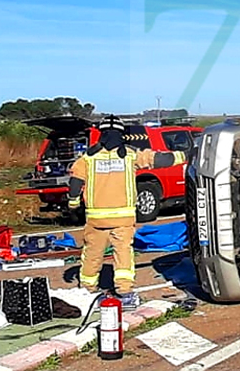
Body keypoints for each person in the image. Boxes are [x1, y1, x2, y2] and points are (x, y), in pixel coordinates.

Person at [68, 116, 183, 310]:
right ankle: (125, 291)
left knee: (92, 255)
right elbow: (159, 159)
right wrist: (185, 155)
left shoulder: (87, 158)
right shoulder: (130, 155)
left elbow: (75, 183)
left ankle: (87, 289)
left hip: (96, 219)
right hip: (123, 219)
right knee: (123, 254)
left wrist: (73, 205)